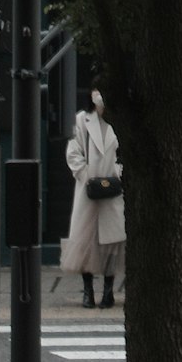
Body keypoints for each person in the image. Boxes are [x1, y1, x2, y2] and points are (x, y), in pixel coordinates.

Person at [65, 91, 125, 307]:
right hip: (88, 191)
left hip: (113, 188)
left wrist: (117, 175)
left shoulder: (119, 121)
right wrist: (87, 176)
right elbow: (73, 153)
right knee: (86, 242)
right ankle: (88, 290)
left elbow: (126, 152)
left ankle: (108, 290)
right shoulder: (81, 121)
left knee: (112, 242)